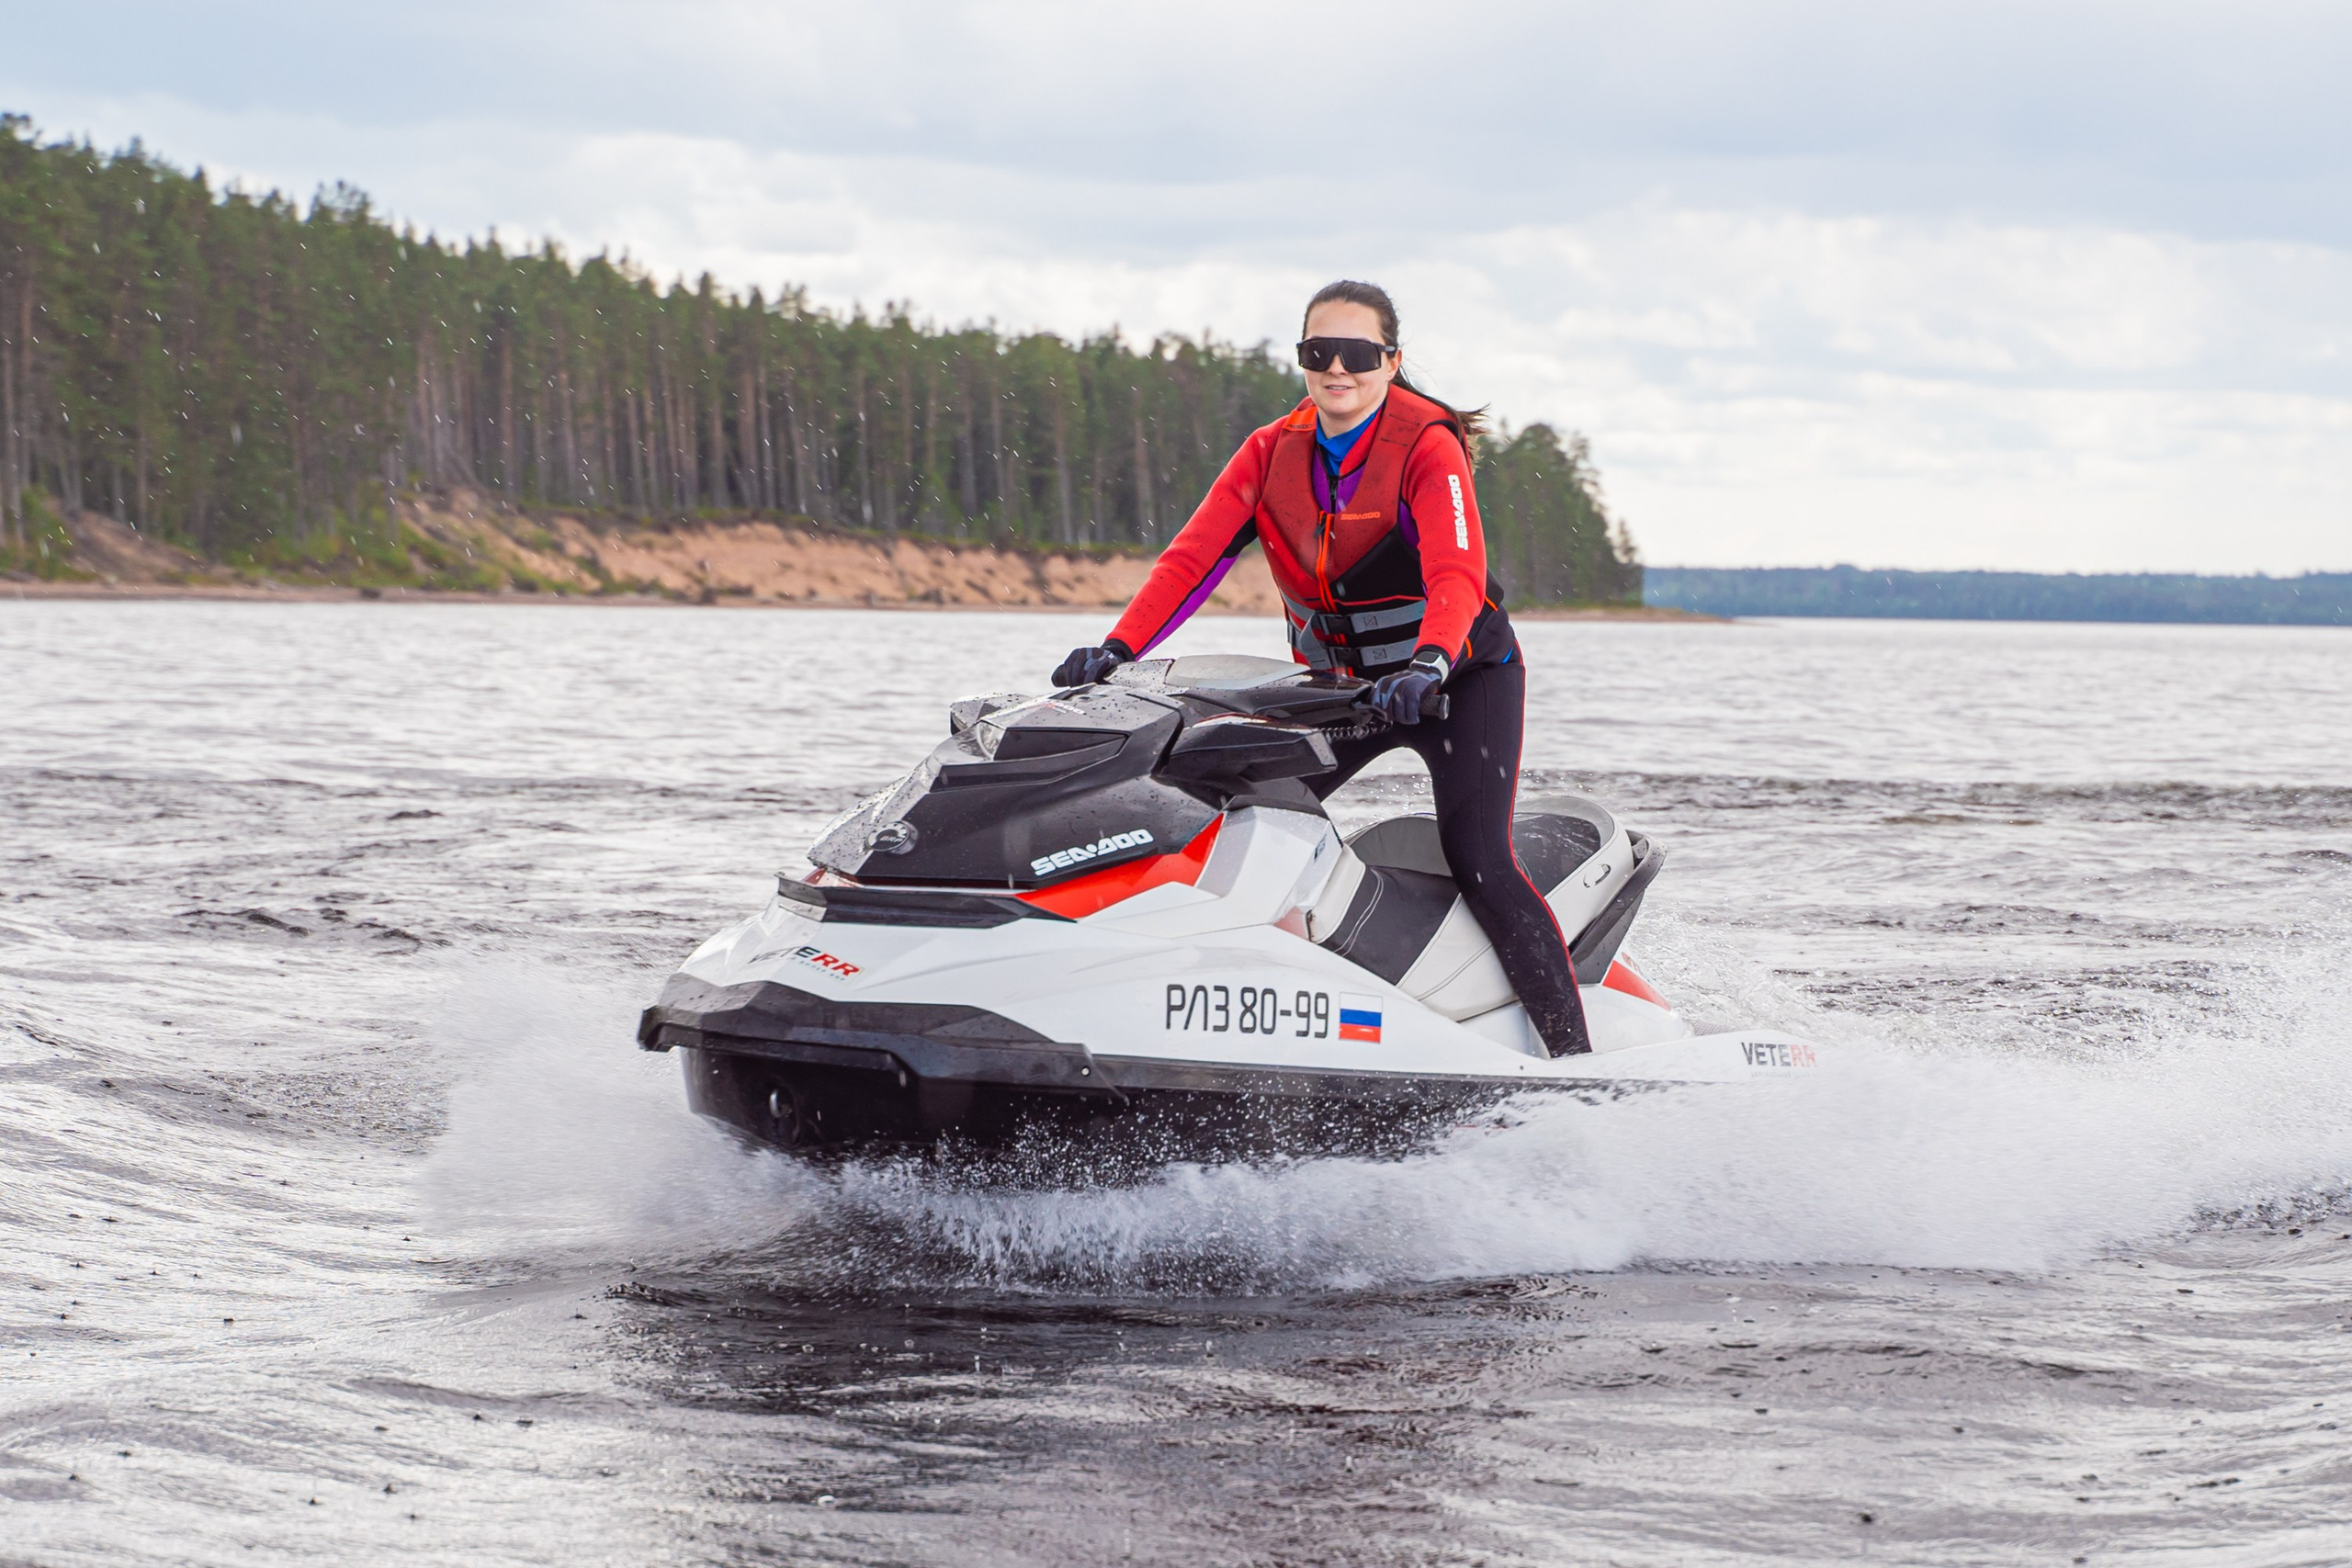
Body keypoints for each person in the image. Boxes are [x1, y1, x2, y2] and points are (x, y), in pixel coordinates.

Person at [1050, 279, 1590, 1056]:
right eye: (1318, 352)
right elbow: (1190, 561)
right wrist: (1118, 648)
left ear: (1392, 361)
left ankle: (1573, 1062)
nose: (1338, 368)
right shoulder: (1270, 453)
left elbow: (1456, 575)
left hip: (1458, 680)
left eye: (1360, 354)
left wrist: (1431, 662)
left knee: (1479, 856)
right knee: (1232, 813)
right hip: (1344, 691)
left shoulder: (1425, 446)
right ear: (1301, 360)